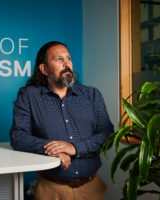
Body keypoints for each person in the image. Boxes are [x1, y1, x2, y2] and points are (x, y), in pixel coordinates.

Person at [10, 41, 114, 200]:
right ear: (44, 69)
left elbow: (107, 135)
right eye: (59, 59)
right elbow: (18, 136)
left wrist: (75, 147)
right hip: (51, 191)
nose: (67, 64)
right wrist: (52, 150)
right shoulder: (29, 96)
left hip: (92, 189)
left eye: (69, 58)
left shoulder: (92, 95)